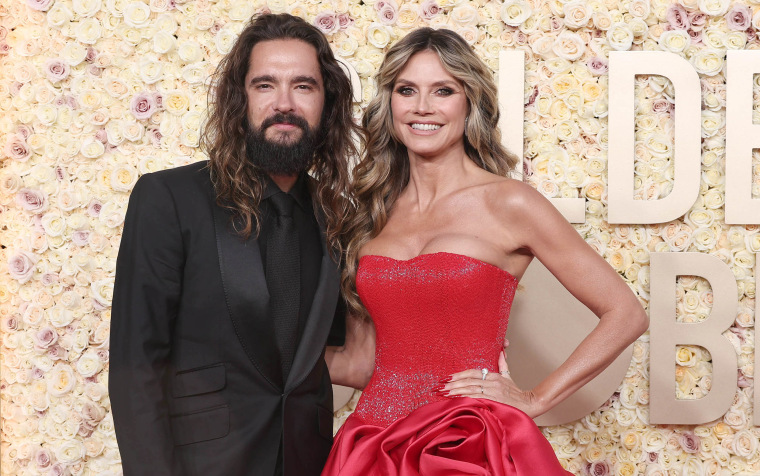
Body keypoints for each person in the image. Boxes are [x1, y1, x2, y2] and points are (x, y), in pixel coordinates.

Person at [322, 28, 649, 475]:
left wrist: (535, 399)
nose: (422, 107)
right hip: (374, 445)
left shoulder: (510, 203)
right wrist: (242, 353)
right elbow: (362, 362)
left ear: (469, 102)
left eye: (443, 90)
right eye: (406, 90)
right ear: (390, 103)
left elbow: (626, 313)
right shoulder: (370, 213)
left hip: (469, 445)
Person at [109, 13, 359, 476]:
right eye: (265, 85)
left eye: (303, 86)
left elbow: (331, 353)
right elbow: (135, 369)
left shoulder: (338, 215)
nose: (284, 103)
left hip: (310, 462)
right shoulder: (169, 198)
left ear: (327, 103)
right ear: (239, 98)